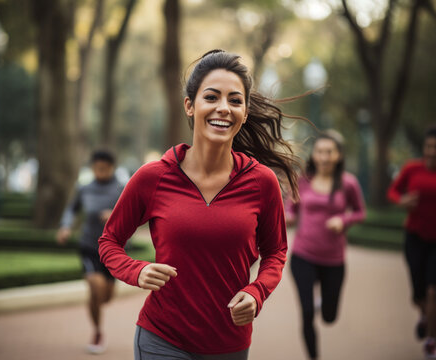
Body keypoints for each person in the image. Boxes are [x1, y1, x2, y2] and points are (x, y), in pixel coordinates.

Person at [98, 49, 301, 359]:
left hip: (229, 343)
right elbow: (109, 241)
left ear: (245, 113)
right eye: (212, 97)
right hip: (162, 337)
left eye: (235, 100)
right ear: (190, 106)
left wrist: (257, 292)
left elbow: (276, 252)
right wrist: (135, 270)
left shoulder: (262, 182)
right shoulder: (153, 177)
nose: (223, 108)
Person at [285, 130, 366, 360]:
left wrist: (343, 220)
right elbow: (290, 206)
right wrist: (289, 215)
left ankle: (324, 303)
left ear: (338, 155)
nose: (324, 156)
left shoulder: (348, 183)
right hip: (303, 256)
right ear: (315, 154)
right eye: (320, 151)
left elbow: (361, 212)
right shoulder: (304, 180)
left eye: (329, 152)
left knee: (329, 317)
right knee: (307, 313)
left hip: (333, 260)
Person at [56, 150, 124, 354]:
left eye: (104, 168)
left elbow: (135, 213)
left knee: (106, 296)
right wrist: (65, 226)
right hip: (89, 246)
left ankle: (96, 304)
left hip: (114, 248)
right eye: (97, 168)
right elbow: (71, 209)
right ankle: (97, 332)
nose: (100, 172)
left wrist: (114, 215)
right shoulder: (84, 188)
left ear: (112, 167)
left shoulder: (122, 189)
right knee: (96, 285)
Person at [388, 125, 436, 359]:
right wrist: (403, 201)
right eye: (429, 146)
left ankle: (431, 339)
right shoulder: (412, 169)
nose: (433, 152)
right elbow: (393, 192)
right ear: (424, 147)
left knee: (433, 290)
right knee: (418, 293)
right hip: (415, 237)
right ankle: (427, 316)